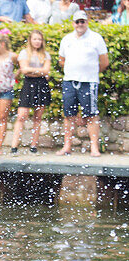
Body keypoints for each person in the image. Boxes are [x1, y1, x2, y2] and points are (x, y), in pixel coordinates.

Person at [58, 11, 108, 158]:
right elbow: (62, 59)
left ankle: (94, 148)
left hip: (89, 82)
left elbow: (104, 62)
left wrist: (90, 73)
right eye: (77, 22)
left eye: (83, 21)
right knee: (69, 114)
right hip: (70, 81)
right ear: (73, 23)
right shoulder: (67, 39)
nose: (80, 24)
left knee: (91, 115)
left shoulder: (96, 38)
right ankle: (67, 146)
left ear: (87, 22)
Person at [9, 30, 51, 155]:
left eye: (39, 39)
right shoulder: (24, 53)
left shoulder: (46, 54)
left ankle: (33, 146)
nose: (37, 41)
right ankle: (14, 147)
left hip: (41, 84)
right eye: (35, 39)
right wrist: (39, 70)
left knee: (38, 117)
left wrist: (33, 71)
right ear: (30, 40)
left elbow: (47, 71)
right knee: (21, 115)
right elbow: (24, 70)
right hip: (28, 84)